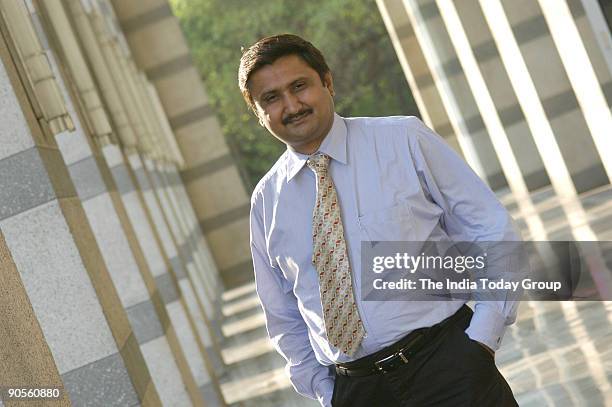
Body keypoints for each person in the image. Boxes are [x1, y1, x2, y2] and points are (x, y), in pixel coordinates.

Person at [240, 33, 520, 406]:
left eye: (299, 86)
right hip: (357, 391)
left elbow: (490, 231)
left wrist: (482, 338)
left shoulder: (403, 139)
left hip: (448, 367)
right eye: (271, 98)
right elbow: (283, 314)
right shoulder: (266, 202)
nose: (291, 105)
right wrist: (328, 392)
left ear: (327, 82)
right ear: (259, 114)